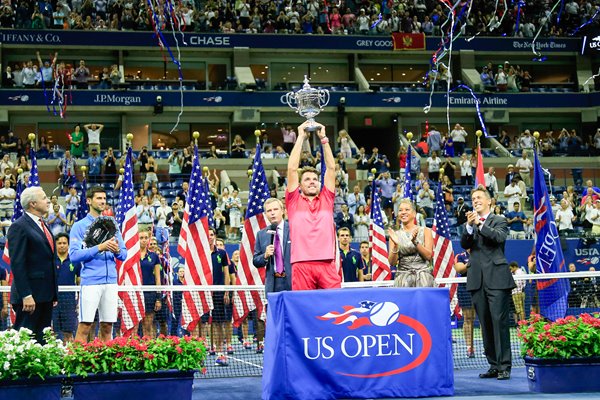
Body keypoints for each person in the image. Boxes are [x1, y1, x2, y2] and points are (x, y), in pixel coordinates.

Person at [461, 187, 515, 380]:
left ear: (489, 201)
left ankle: (504, 366)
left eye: (479, 198)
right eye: (473, 198)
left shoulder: (499, 220)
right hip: (477, 280)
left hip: (497, 279)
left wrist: (480, 224)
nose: (475, 201)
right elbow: (464, 244)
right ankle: (493, 364)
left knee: (499, 323)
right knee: (485, 324)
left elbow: (498, 238)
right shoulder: (471, 225)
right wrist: (469, 227)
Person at [69, 186, 127, 343]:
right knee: (85, 326)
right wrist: (100, 247)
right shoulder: (79, 226)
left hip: (111, 283)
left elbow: (123, 254)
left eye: (104, 198)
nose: (103, 201)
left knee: (108, 327)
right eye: (99, 198)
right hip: (90, 282)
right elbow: (74, 256)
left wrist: (115, 250)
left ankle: (106, 366)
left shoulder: (112, 224)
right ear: (88, 201)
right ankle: (76, 365)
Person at [286, 120, 339, 290]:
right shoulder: (293, 201)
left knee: (335, 308)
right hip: (301, 263)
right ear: (299, 185)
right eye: (307, 179)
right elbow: (292, 169)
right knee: (303, 309)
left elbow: (331, 169)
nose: (312, 182)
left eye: (315, 179)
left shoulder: (327, 198)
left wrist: (324, 140)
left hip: (327, 262)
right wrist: (301, 137)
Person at [8, 186, 57, 344]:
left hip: (45, 295)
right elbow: (17, 264)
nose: (48, 200)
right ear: (33, 204)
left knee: (42, 342)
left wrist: (53, 292)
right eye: (44, 198)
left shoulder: (43, 225)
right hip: (29, 298)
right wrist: (26, 295)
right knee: (24, 343)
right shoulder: (19, 226)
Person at [252, 197, 290, 352]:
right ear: (266, 214)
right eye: (269, 211)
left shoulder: (294, 229)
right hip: (273, 286)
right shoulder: (261, 234)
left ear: (283, 211)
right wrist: (265, 255)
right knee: (275, 325)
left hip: (293, 284)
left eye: (275, 209)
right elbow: (256, 260)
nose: (273, 213)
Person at [388, 198, 434, 287]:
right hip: (402, 280)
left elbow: (428, 256)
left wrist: (415, 242)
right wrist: (396, 245)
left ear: (414, 213)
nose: (403, 212)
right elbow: (392, 263)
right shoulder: (395, 235)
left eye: (407, 210)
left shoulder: (426, 231)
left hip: (423, 279)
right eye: (400, 210)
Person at [52, 232, 81, 342]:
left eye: (64, 243)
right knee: (53, 331)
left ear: (68, 245)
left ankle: (69, 356)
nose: (62, 245)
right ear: (55, 245)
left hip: (69, 301)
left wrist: (79, 301)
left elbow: (79, 281)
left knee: (68, 332)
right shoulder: (51, 260)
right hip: (53, 300)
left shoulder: (75, 260)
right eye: (59, 243)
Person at [138, 229, 162, 337]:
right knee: (134, 326)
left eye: (145, 238)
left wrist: (158, 298)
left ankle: (148, 351)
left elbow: (158, 279)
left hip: (149, 294)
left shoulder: (154, 257)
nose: (143, 240)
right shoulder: (132, 256)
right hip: (135, 294)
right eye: (141, 238)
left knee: (147, 326)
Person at [453, 249, 475, 358]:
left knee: (484, 318)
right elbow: (460, 269)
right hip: (464, 288)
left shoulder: (482, 253)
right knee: (468, 318)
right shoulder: (460, 256)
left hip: (480, 287)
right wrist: (474, 261)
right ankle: (469, 347)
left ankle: (487, 347)